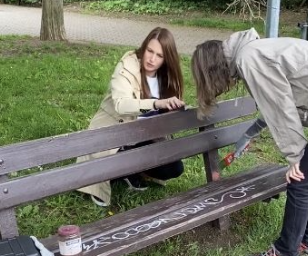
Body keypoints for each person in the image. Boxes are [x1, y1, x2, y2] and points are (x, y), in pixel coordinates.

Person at [191, 27, 308, 256]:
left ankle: (285, 251)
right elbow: (275, 100)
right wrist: (249, 134)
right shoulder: (252, 52)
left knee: (300, 180)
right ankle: (304, 240)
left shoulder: (250, 58)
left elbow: (280, 107)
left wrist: (295, 155)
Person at [77, 27, 185, 207]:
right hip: (114, 136)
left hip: (144, 136)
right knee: (113, 162)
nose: (152, 59)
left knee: (174, 168)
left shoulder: (165, 76)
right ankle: (114, 173)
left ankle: (128, 171)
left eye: (159, 55)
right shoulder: (126, 66)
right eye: (150, 51)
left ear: (166, 59)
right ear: (144, 47)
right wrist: (155, 103)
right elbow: (121, 104)